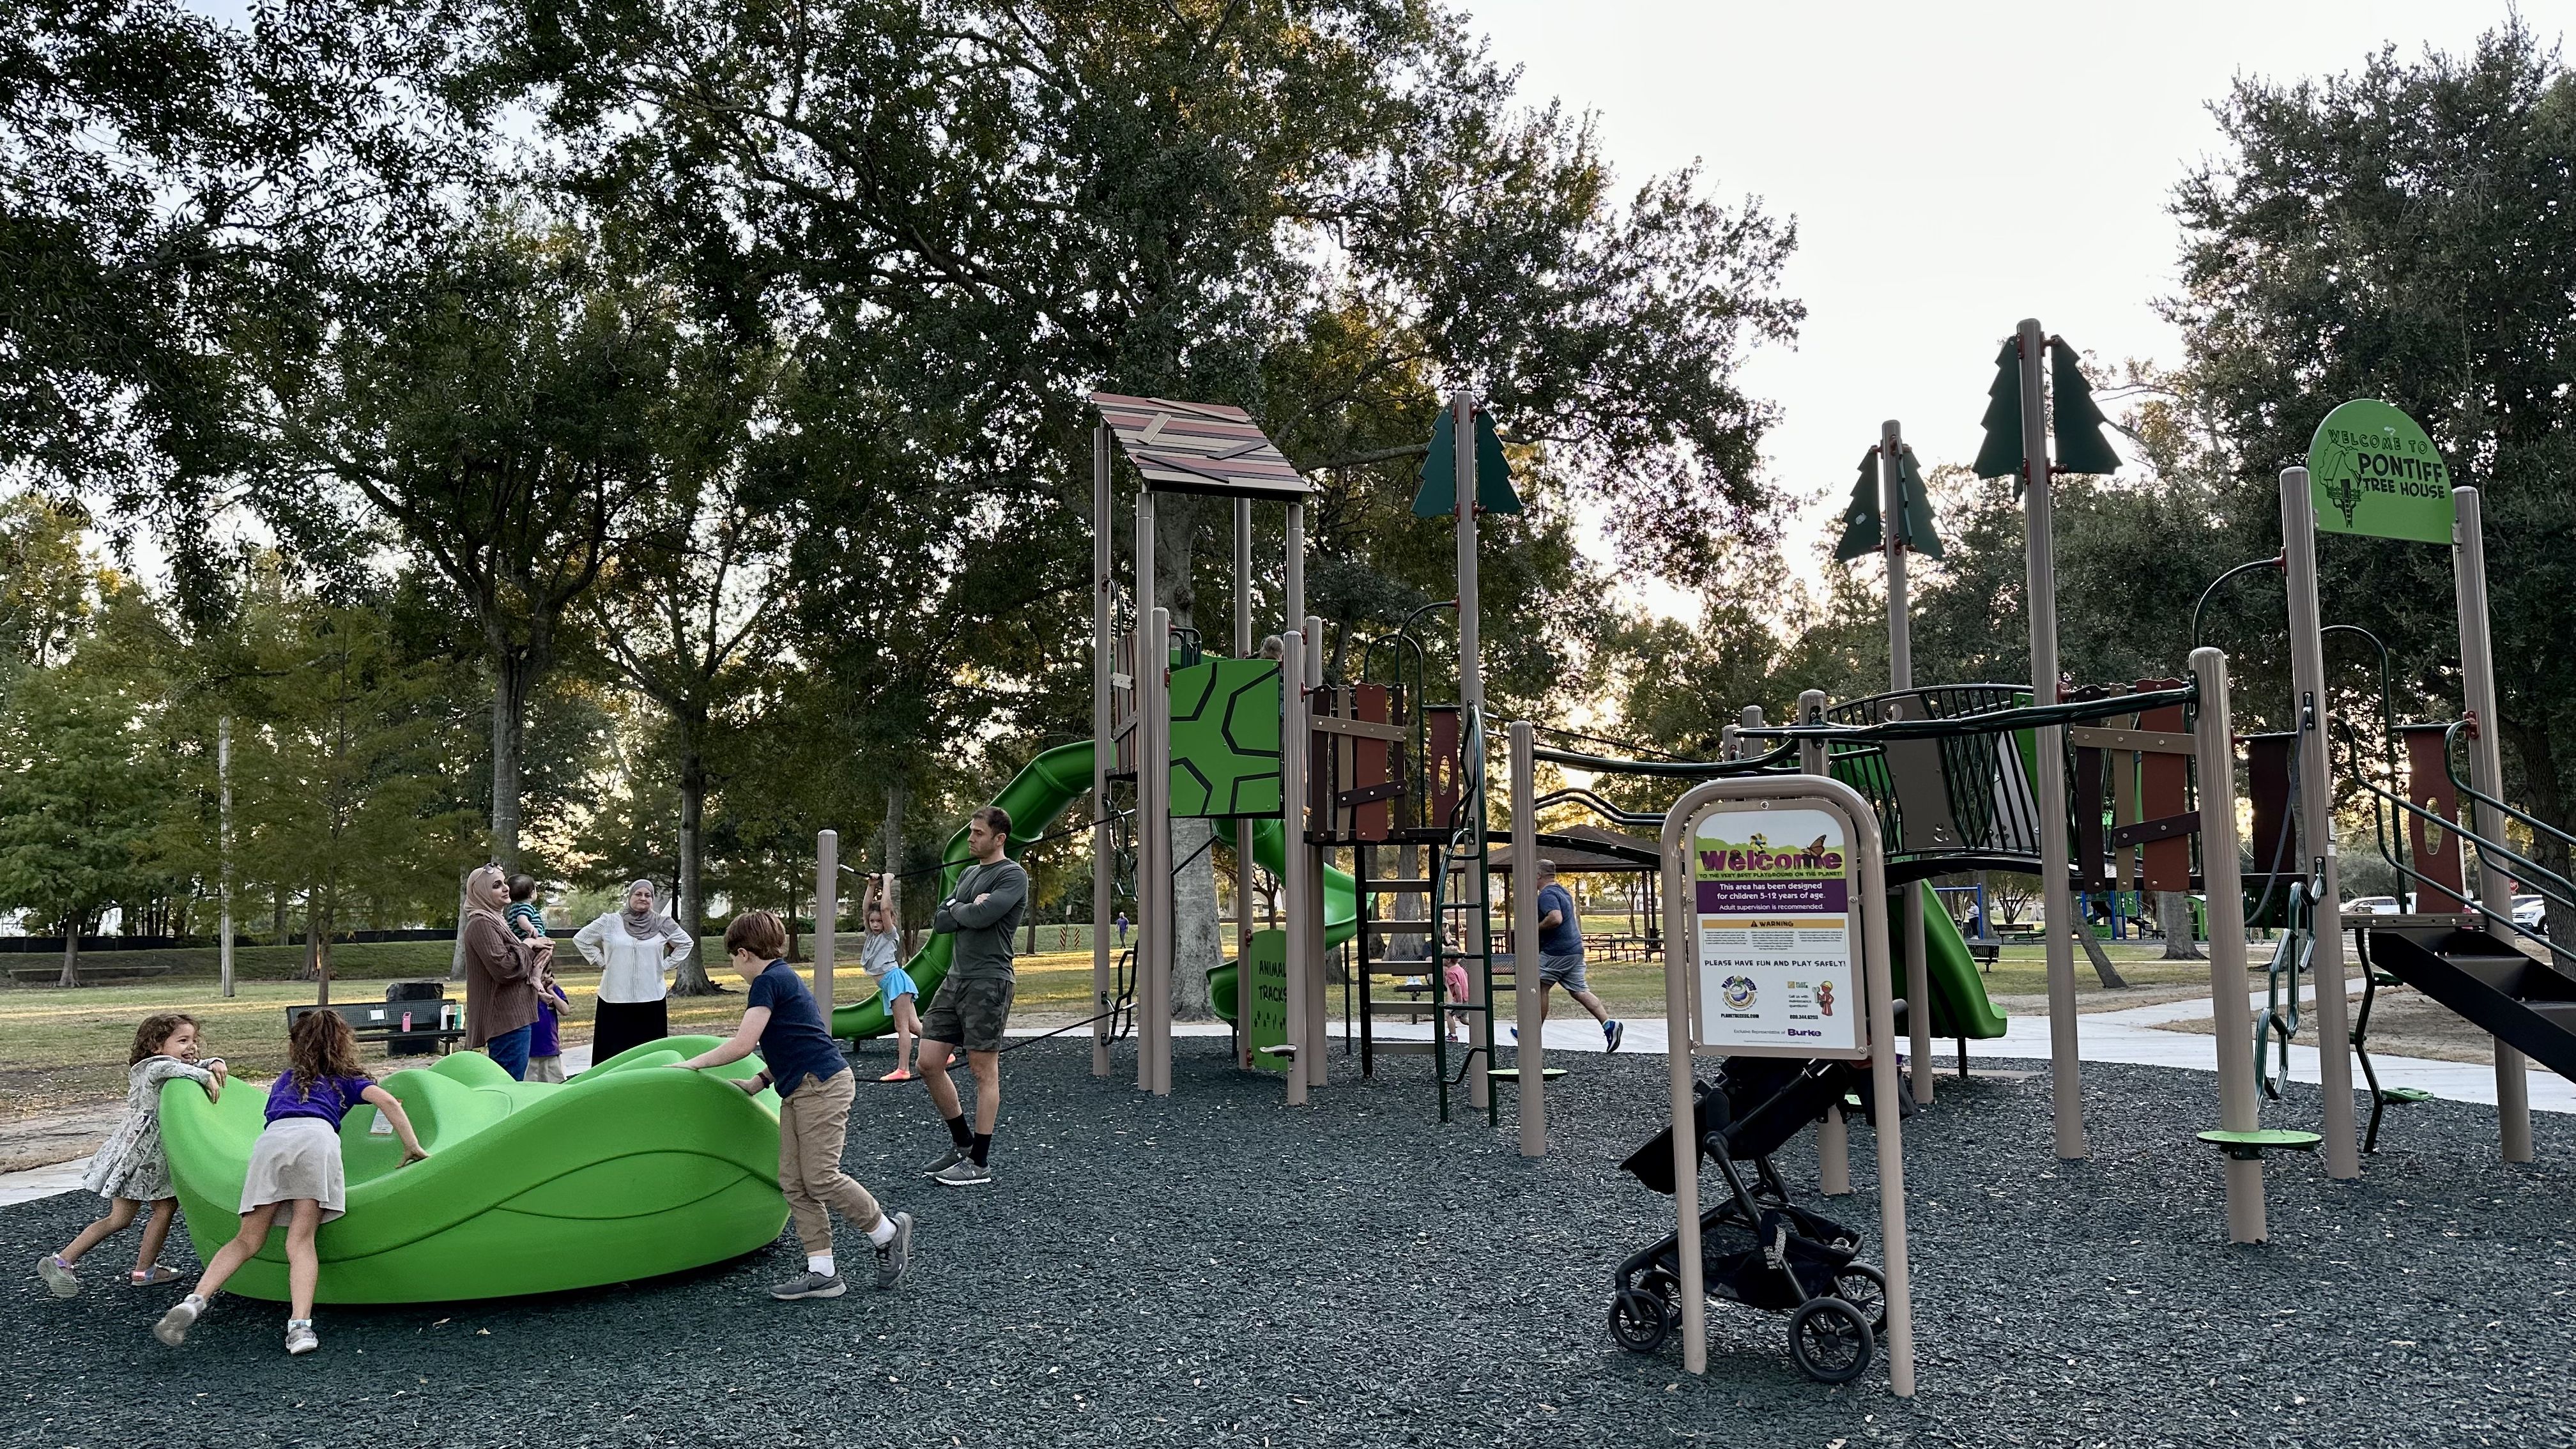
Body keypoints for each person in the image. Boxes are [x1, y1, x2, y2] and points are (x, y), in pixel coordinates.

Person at [671, 910, 914, 1300]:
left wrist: (689, 1065)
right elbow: (795, 1040)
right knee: (795, 1182)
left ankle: (887, 1233)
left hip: (822, 1086)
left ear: (745, 954)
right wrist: (760, 1080)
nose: (735, 968)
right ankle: (823, 1272)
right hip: (801, 1087)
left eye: (733, 958)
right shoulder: (781, 978)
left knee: (820, 1176)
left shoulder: (768, 981)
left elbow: (743, 1043)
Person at [153, 1011, 427, 1355]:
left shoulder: (287, 1079)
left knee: (247, 1239)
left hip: (271, 1143)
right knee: (301, 1241)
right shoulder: (347, 1078)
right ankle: (299, 1328)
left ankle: (195, 1300)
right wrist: (411, 1145)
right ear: (344, 1044)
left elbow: (271, 1115)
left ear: (295, 1045)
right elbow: (387, 1101)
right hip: (317, 1141)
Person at [38, 1013, 227, 1295]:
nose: (192, 1047)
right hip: (143, 1159)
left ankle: (65, 1260)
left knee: (125, 1218)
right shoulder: (152, 1067)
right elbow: (175, 1070)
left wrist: (214, 1062)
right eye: (183, 1041)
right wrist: (203, 1073)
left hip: (142, 1158)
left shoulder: (171, 1064)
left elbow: (188, 1066)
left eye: (194, 1041)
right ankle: (140, 1270)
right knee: (159, 1210)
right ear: (156, 1046)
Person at [917, 806, 1027, 1188]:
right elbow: (942, 919)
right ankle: (962, 1144)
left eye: (978, 833)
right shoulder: (967, 874)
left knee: (983, 1070)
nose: (971, 839)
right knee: (928, 1062)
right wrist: (968, 907)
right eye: (971, 832)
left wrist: (962, 910)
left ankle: (979, 1163)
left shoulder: (1012, 875)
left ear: (999, 839)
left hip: (989, 981)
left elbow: (980, 918)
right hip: (955, 979)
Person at [574, 879, 694, 1064]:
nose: (643, 898)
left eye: (648, 895)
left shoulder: (662, 924)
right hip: (615, 998)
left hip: (651, 999)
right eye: (638, 894)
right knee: (612, 1056)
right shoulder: (610, 921)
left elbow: (687, 943)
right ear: (630, 896)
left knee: (648, 1056)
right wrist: (600, 961)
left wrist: (666, 964)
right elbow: (581, 939)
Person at [1527, 860, 1623, 1052]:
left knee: (1539, 986)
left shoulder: (1546, 895)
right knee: (1579, 990)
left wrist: (1533, 929)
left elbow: (1555, 918)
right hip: (1574, 949)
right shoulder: (1562, 891)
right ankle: (1609, 1026)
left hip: (1558, 951)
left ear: (1538, 875)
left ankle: (1531, 1034)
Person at [461, 864, 546, 1080]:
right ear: (481, 892)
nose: (506, 888)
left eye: (505, 883)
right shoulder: (481, 924)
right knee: (507, 1086)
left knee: (513, 1083)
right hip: (505, 1020)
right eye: (497, 885)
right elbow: (505, 969)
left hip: (515, 1016)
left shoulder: (496, 919)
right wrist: (528, 945)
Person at [859, 875, 921, 1082]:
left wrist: (887, 882)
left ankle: (903, 1069)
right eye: (872, 921)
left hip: (895, 981)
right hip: (890, 984)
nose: (876, 924)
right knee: (914, 1026)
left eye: (879, 921)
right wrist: (871, 885)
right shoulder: (872, 935)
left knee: (901, 1027)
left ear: (890, 920)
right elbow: (866, 908)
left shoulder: (889, 934)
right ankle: (943, 1050)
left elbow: (885, 909)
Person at [526, 964, 575, 1084]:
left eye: (549, 972)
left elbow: (565, 1010)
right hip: (530, 1052)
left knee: (555, 1084)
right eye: (544, 972)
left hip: (550, 1049)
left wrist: (551, 991)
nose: (547, 976)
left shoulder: (554, 991)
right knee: (530, 1086)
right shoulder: (526, 991)